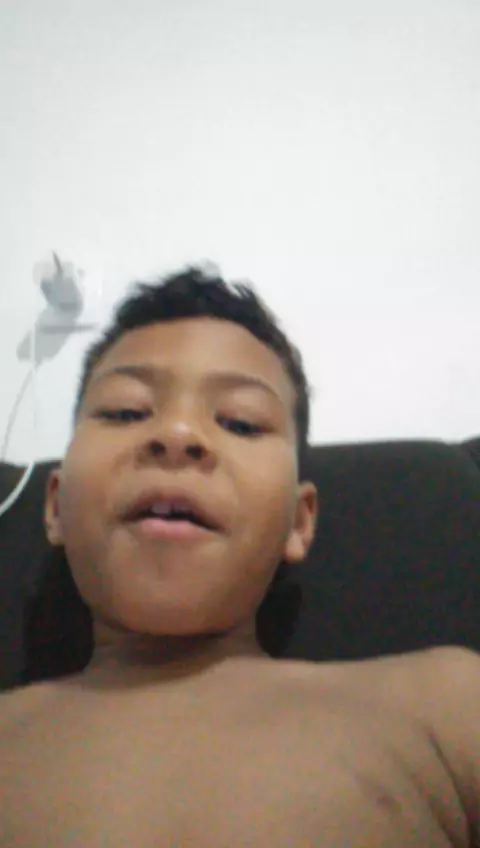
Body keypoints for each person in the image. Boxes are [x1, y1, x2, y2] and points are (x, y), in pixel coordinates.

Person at [1, 265, 479, 848]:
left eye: (241, 422)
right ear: (54, 505)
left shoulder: (441, 706)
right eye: (126, 411)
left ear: (299, 522)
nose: (178, 434)